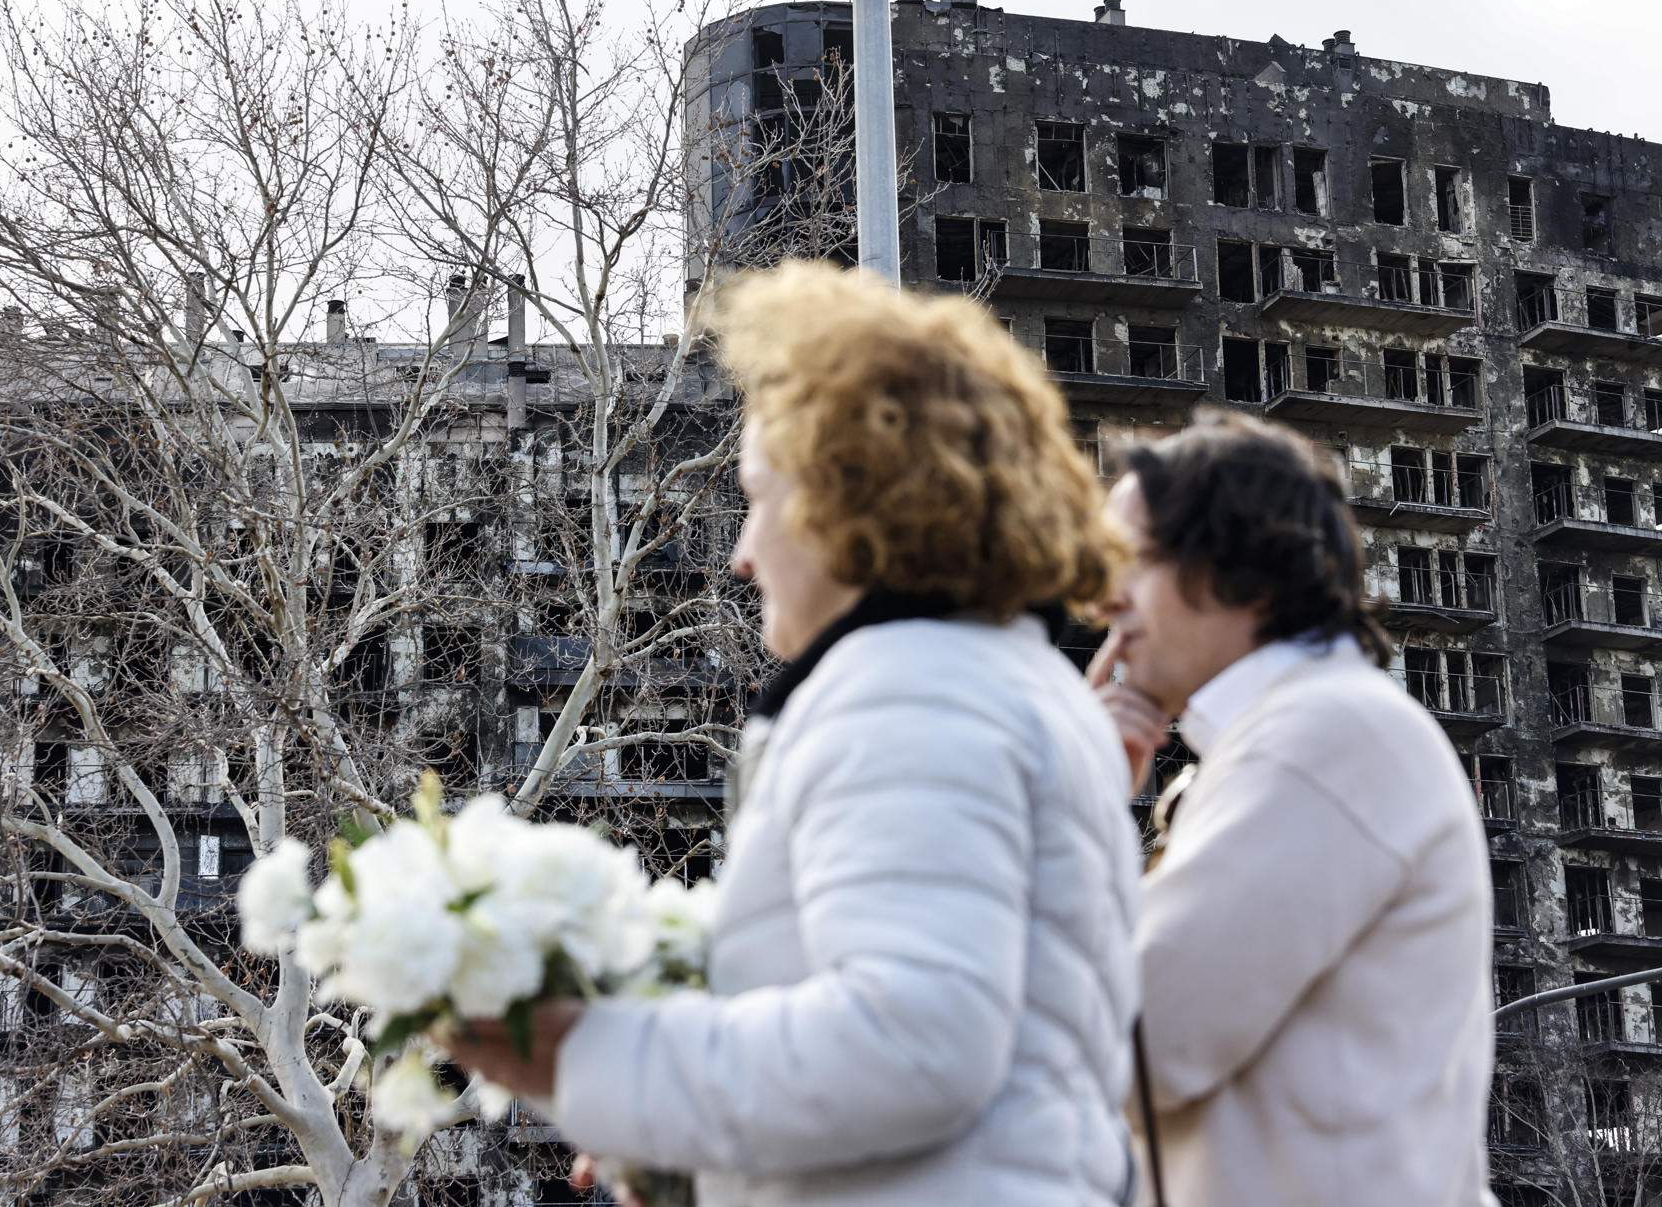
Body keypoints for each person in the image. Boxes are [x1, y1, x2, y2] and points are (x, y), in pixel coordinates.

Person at [446, 260, 1144, 1205]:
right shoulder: (1015, 685)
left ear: (844, 501)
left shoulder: (908, 694)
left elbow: (914, 1047)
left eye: (759, 494)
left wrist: (589, 1058)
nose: (742, 552)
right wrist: (690, 1149)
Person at [1087, 414, 1496, 1207]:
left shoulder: (1319, 740)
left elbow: (1132, 1039)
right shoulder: (1302, 735)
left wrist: (1073, 803)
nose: (1105, 598)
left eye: (1132, 562)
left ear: (1250, 573)